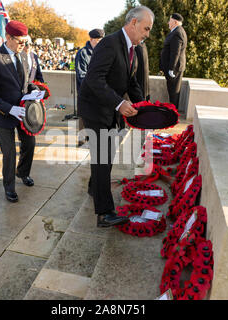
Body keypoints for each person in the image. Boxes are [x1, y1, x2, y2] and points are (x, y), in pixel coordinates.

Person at [78, 6, 153, 228]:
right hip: (94, 108)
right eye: (146, 28)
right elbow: (94, 79)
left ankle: (94, 187)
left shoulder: (132, 48)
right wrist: (119, 103)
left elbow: (131, 82)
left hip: (109, 108)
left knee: (106, 154)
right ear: (133, 23)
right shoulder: (110, 43)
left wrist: (145, 107)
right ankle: (104, 213)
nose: (147, 34)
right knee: (103, 157)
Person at [0, 20, 39, 203]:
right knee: (9, 153)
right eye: (20, 41)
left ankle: (23, 172)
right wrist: (9, 108)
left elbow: (23, 84)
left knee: (29, 144)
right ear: (8, 37)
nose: (24, 45)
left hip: (22, 112)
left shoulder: (22, 56)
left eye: (25, 42)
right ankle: (9, 187)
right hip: (4, 113)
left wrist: (35, 90)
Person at [75, 28, 105, 146]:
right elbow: (81, 75)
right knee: (84, 117)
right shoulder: (82, 53)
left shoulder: (102, 52)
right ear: (91, 40)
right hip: (86, 92)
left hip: (99, 91)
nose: (100, 43)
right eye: (98, 41)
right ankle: (82, 140)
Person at [160, 13, 187, 108]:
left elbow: (175, 52)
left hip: (174, 68)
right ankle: (172, 111)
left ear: (175, 22)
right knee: (172, 91)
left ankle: (173, 113)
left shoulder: (177, 33)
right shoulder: (176, 31)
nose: (168, 23)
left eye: (169, 21)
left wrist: (171, 68)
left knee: (174, 92)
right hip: (173, 67)